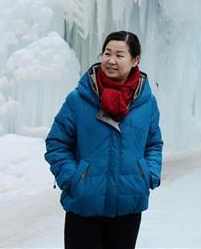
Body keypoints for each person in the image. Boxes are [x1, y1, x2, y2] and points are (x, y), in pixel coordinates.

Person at [45, 31, 163, 249]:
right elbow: (57, 143)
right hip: (84, 204)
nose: (111, 60)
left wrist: (148, 174)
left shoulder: (146, 103)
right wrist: (74, 179)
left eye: (119, 55)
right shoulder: (79, 99)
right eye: (107, 53)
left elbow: (153, 143)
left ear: (135, 60)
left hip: (128, 204)